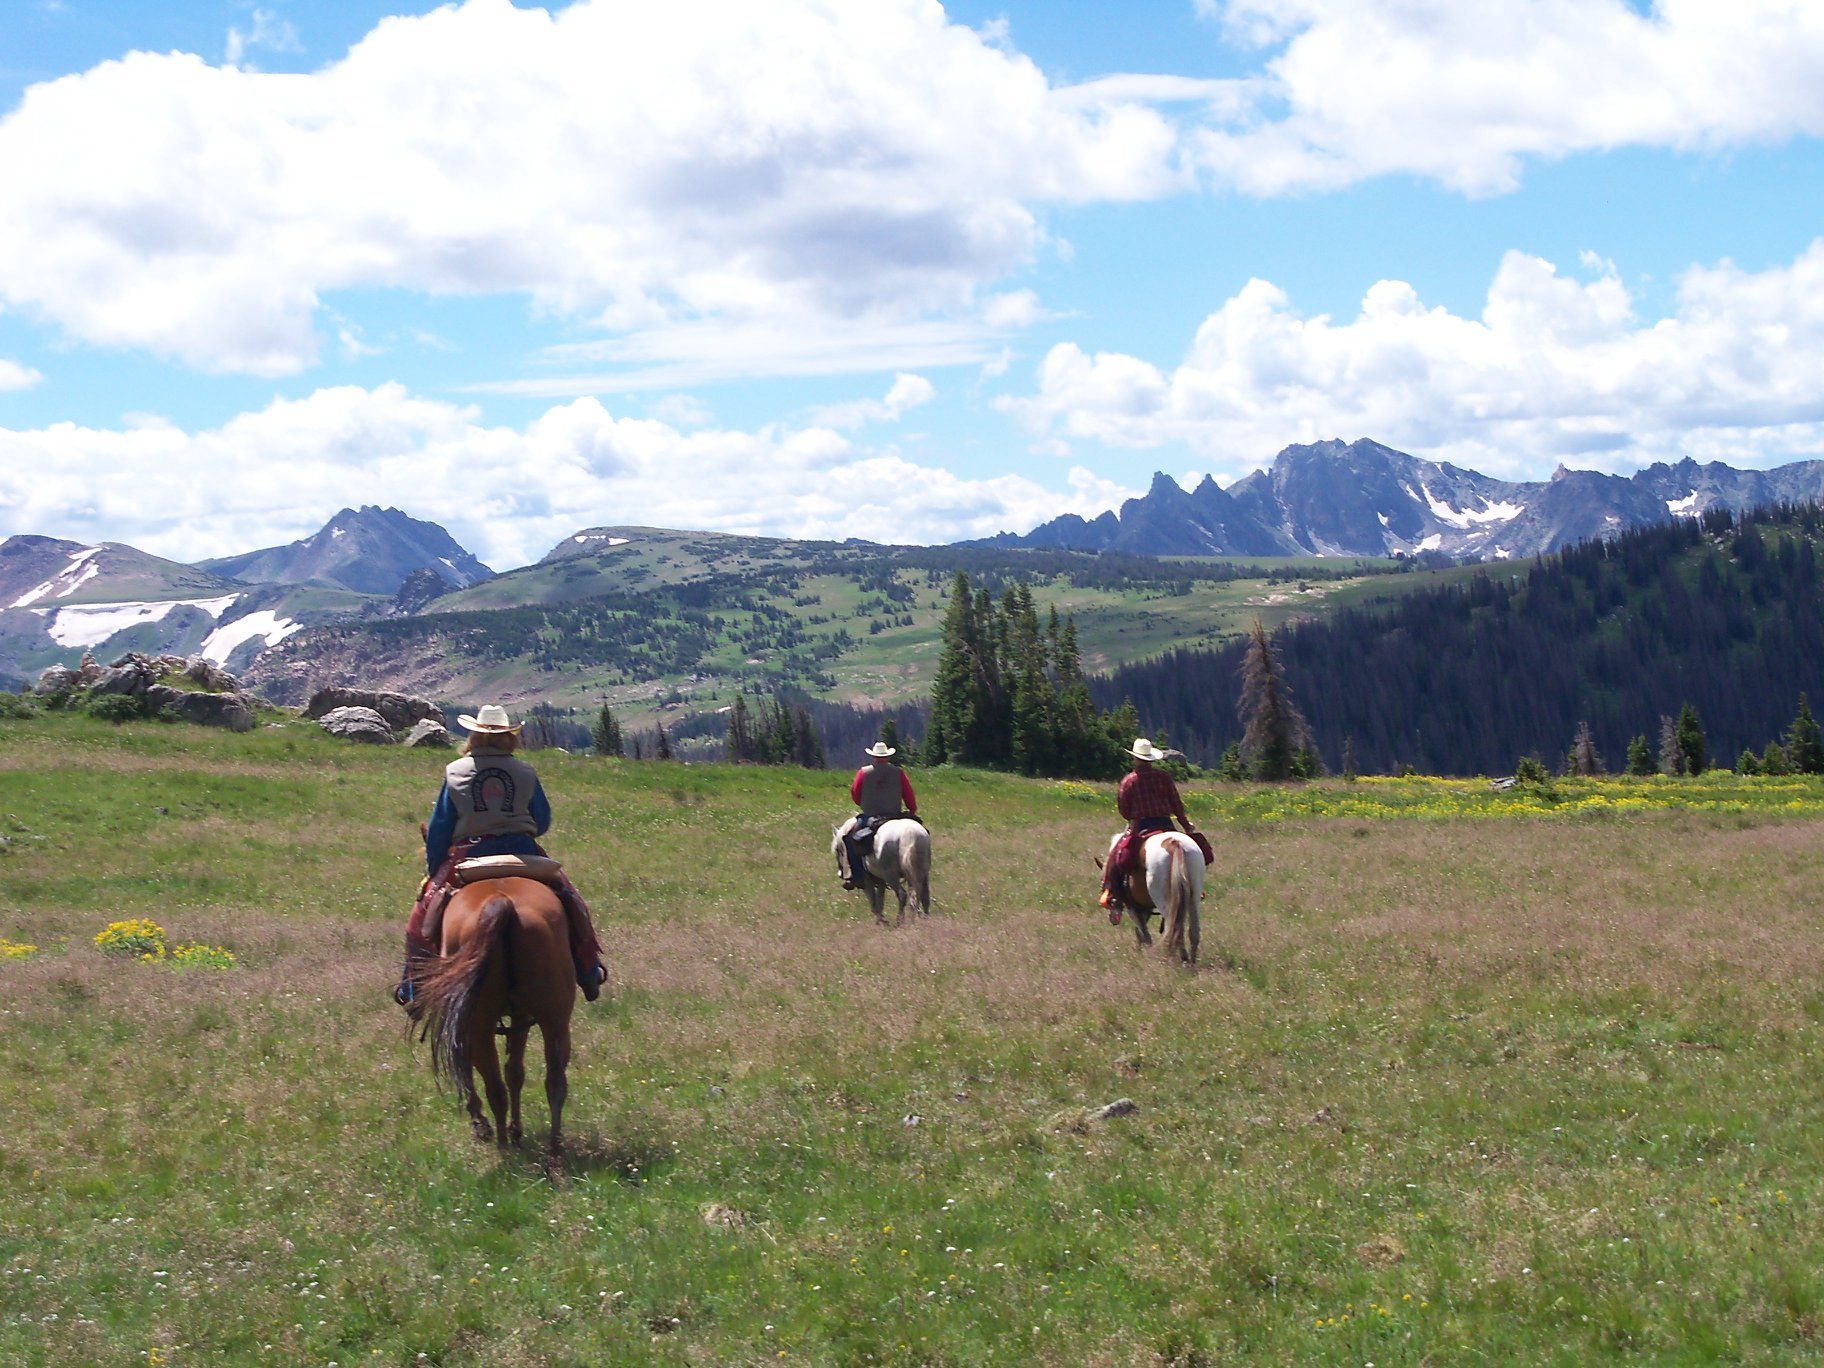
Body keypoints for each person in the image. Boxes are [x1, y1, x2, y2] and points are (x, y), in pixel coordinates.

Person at [394, 704, 607, 1005]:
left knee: (421, 914)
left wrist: (435, 869)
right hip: (523, 852)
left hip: (470, 853)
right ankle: (587, 969)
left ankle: (412, 987)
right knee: (571, 900)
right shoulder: (525, 771)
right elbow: (542, 820)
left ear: (474, 736)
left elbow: (440, 828)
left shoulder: (455, 771)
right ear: (509, 737)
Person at [1100, 738, 1195, 919]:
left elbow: (1124, 810)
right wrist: (1186, 826)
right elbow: (1177, 805)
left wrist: (1134, 817)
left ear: (1135, 758)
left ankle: (1115, 898)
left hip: (1140, 827)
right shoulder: (1164, 778)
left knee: (1116, 856)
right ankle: (1196, 890)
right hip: (1166, 825)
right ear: (1151, 759)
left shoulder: (1128, 781)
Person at [837, 740, 919, 888]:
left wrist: (866, 804)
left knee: (849, 838)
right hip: (895, 815)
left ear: (874, 757)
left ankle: (856, 876)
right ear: (887, 757)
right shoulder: (898, 772)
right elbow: (909, 794)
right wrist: (912, 810)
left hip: (870, 816)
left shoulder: (864, 772)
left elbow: (855, 794)